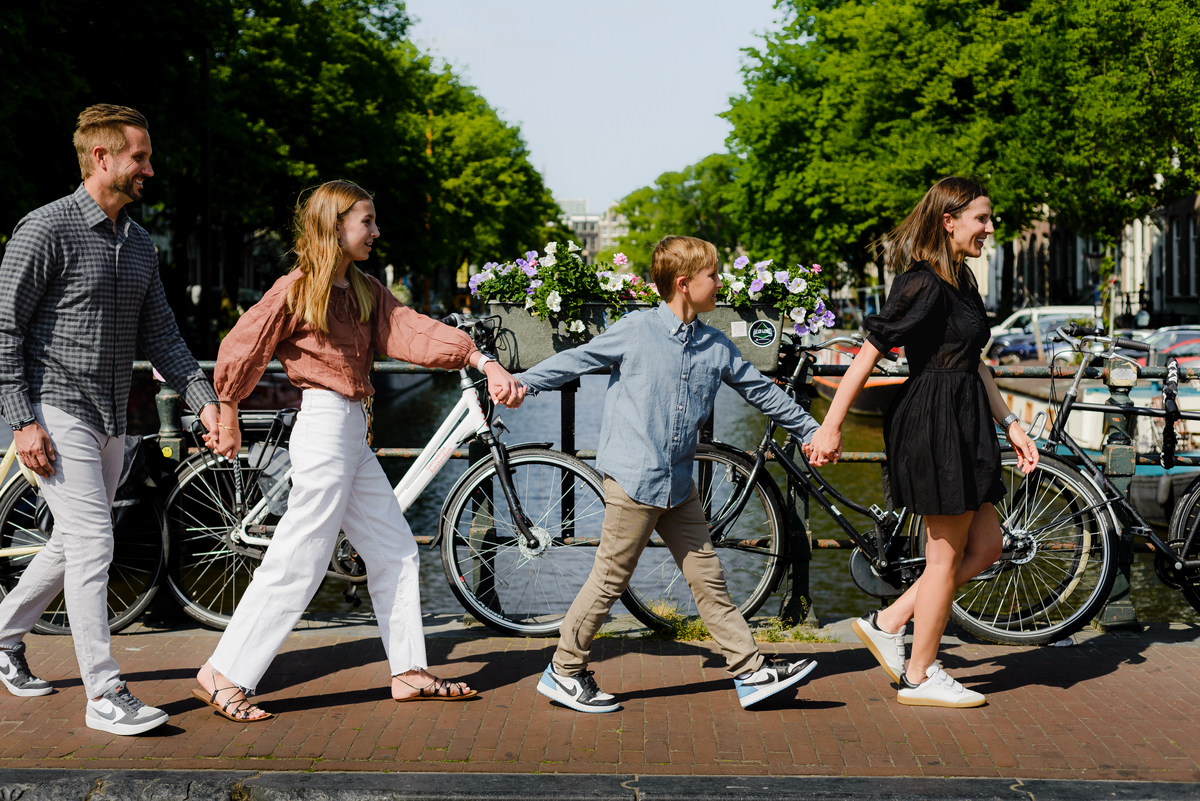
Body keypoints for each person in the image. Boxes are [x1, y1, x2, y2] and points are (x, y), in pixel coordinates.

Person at [193, 180, 526, 722]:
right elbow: (241, 343)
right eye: (366, 221)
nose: (375, 231)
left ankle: (409, 671)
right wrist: (227, 407)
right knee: (301, 555)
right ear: (334, 226)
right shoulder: (297, 289)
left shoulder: (365, 288)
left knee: (396, 549)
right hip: (323, 426)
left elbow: (408, 331)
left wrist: (478, 359)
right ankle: (224, 673)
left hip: (352, 431)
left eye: (373, 221)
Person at [522, 235, 819, 713]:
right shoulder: (636, 330)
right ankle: (563, 670)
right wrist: (518, 383)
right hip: (635, 481)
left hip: (678, 483)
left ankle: (750, 672)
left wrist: (811, 430)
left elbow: (762, 392)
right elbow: (574, 360)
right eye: (713, 276)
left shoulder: (715, 345)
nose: (720, 283)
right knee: (609, 579)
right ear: (684, 284)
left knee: (709, 578)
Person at [0, 105, 221, 735]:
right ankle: (104, 692)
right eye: (140, 157)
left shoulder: (139, 243)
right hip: (55, 407)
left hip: (111, 416)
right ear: (103, 158)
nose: (151, 169)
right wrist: (21, 419)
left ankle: (3, 636)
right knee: (96, 541)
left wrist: (203, 398)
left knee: (73, 543)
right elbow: (4, 331)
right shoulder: (44, 230)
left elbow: (164, 337)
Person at [806, 177, 1039, 708]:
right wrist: (831, 423)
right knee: (943, 556)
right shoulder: (922, 282)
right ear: (948, 221)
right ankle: (920, 673)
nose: (990, 227)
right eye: (981, 218)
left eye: (989, 217)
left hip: (966, 418)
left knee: (987, 547)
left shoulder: (963, 279)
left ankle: (888, 622)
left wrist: (1011, 424)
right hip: (934, 422)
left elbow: (973, 362)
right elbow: (868, 352)